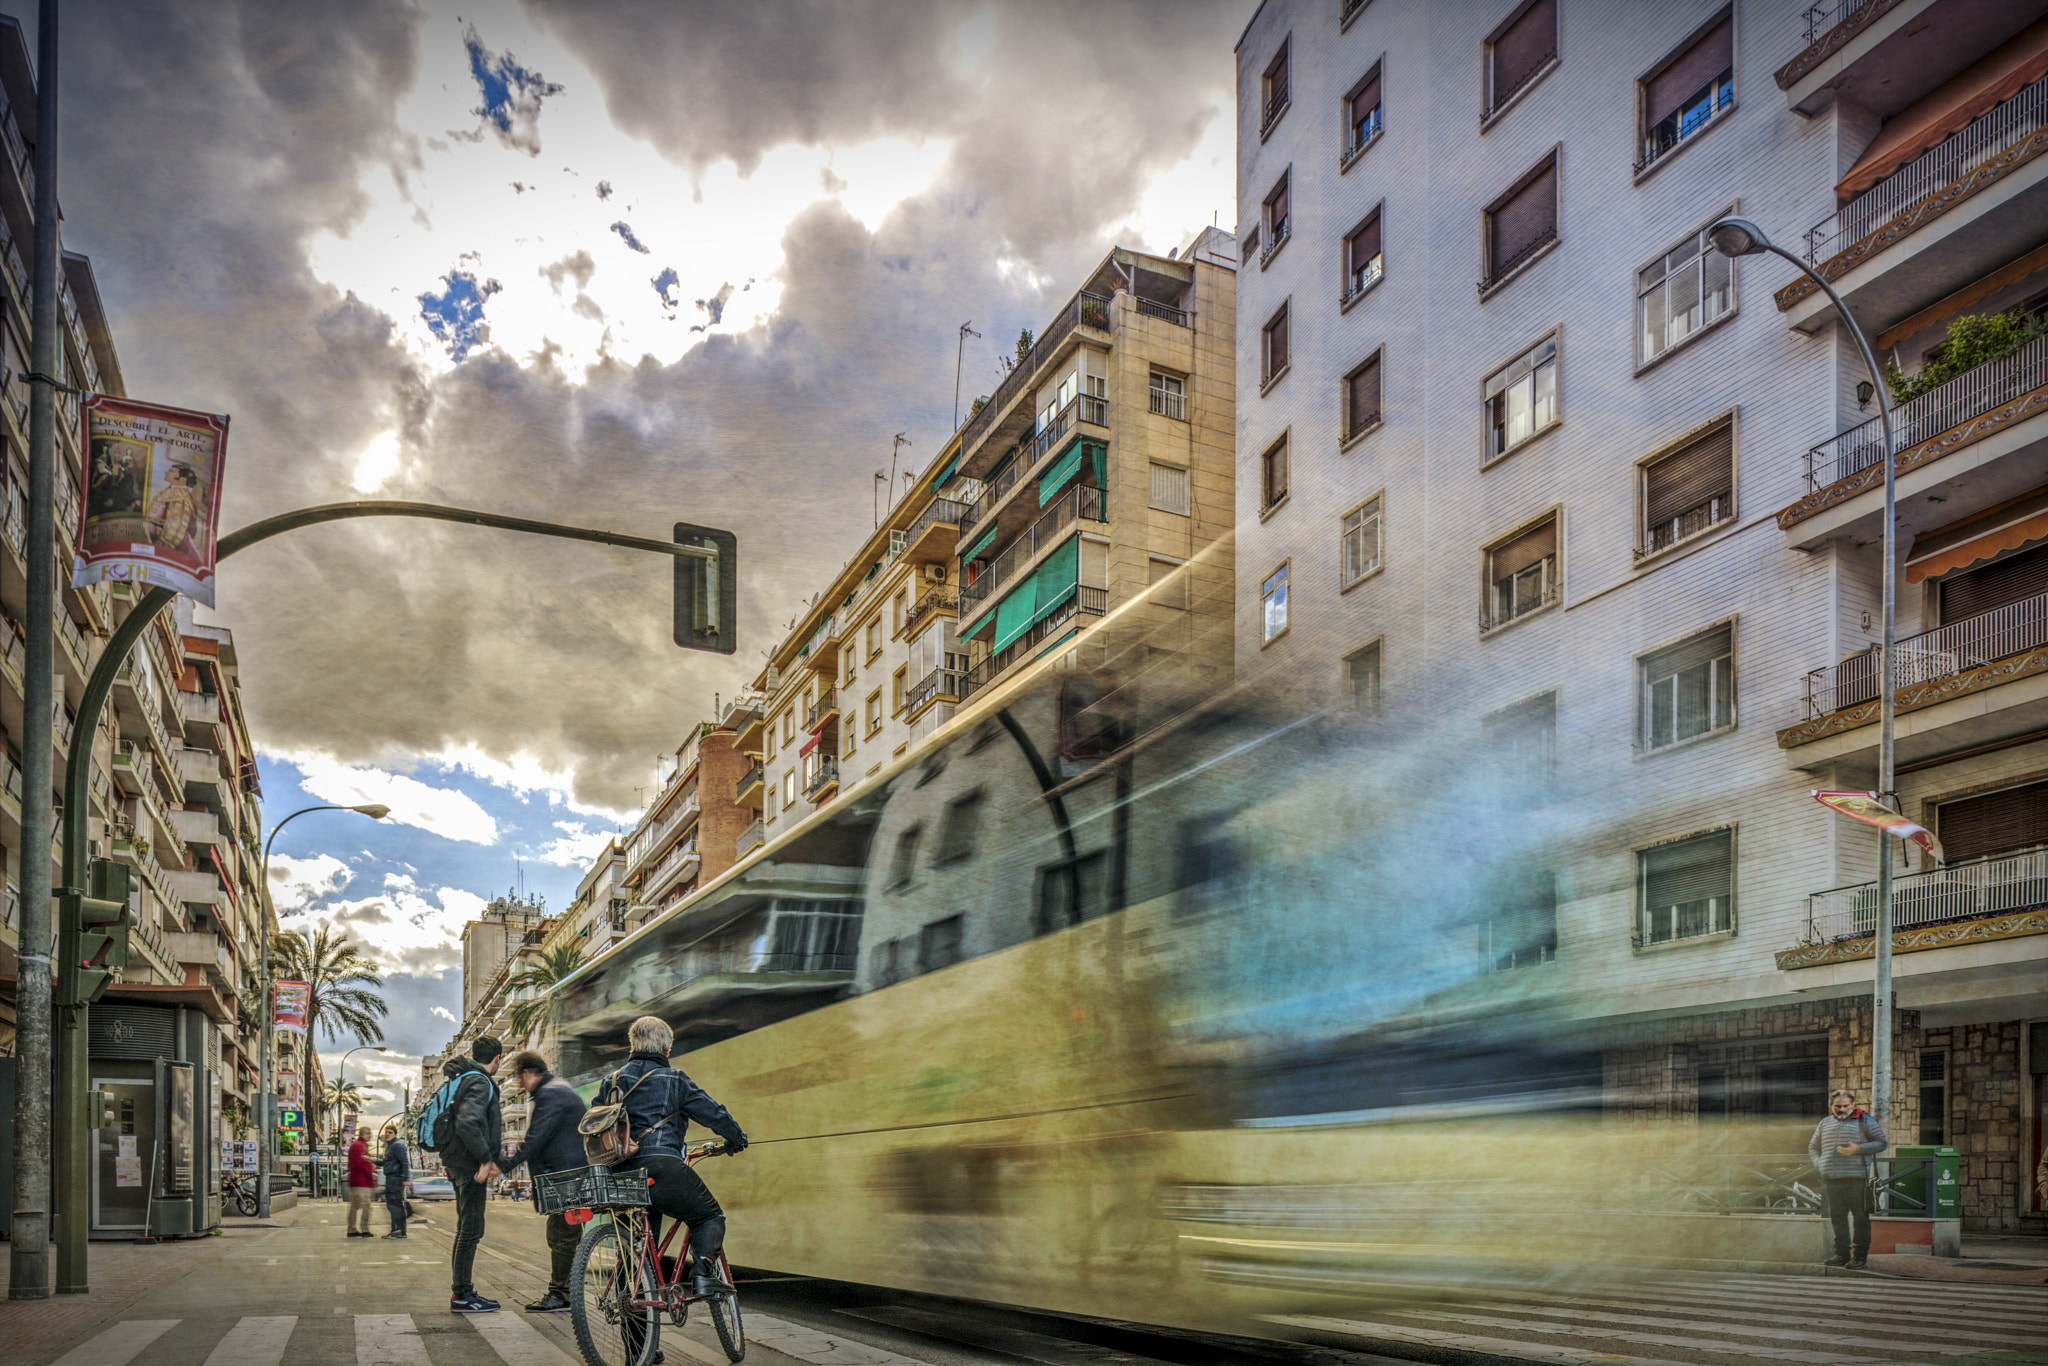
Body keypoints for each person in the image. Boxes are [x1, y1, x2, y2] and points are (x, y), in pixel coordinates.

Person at [606, 1015, 749, 1300]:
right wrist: (736, 1138)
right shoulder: (674, 1079)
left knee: (635, 1259)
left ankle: (639, 1343)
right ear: (667, 1050)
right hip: (662, 1167)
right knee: (709, 1216)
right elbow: (714, 1113)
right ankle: (703, 1275)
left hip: (619, 1174)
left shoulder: (610, 1081)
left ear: (632, 1045)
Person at [496, 1050, 590, 1314]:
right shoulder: (557, 1088)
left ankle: (561, 1294)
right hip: (570, 1176)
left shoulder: (551, 1094)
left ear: (527, 1073)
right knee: (565, 1236)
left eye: (519, 1078)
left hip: (566, 1179)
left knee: (562, 1237)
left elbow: (536, 1139)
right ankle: (566, 1291)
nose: (519, 1084)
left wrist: (505, 1165)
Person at [441, 1036, 507, 1313]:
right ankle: (462, 1296)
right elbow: (468, 1122)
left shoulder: (462, 1079)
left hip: (457, 1162)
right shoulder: (480, 1082)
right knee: (470, 1230)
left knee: (466, 1230)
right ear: (497, 1059)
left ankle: (463, 1293)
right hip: (469, 1165)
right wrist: (484, 1159)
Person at [1808, 1088, 1887, 1270]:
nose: (1842, 1109)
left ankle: (1859, 1258)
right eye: (1837, 1106)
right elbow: (1812, 1148)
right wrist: (1820, 1165)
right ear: (1831, 1106)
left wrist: (1858, 1149)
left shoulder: (1865, 1120)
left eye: (1845, 1106)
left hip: (1857, 1179)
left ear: (1852, 1105)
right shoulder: (1824, 1123)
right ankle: (1841, 1255)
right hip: (1831, 1179)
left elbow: (1882, 1143)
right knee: (1838, 1218)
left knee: (1860, 1219)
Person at [345, 1129, 377, 1237]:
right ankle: (364, 1229)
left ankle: (351, 1229)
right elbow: (360, 1163)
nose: (370, 1136)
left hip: (355, 1181)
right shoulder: (361, 1146)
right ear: (365, 1134)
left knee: (354, 1206)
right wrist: (370, 1169)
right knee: (366, 1206)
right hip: (362, 1181)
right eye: (369, 1134)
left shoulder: (356, 1145)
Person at [380, 1123, 410, 1239]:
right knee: (395, 1205)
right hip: (392, 1178)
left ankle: (398, 1230)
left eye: (390, 1132)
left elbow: (405, 1162)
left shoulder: (397, 1145)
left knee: (394, 1205)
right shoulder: (391, 1147)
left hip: (395, 1179)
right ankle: (398, 1231)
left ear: (395, 1134)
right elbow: (385, 1162)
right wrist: (372, 1160)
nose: (387, 1134)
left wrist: (406, 1178)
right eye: (386, 1132)